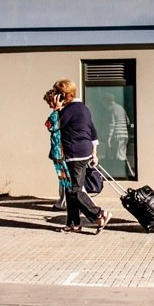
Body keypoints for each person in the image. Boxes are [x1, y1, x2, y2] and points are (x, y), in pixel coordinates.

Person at [45, 80, 112, 234]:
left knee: (74, 190)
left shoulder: (69, 110)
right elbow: (92, 131)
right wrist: (94, 153)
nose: (54, 95)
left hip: (74, 154)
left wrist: (56, 110)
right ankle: (73, 223)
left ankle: (99, 214)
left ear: (62, 95)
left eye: (56, 93)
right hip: (83, 152)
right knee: (70, 190)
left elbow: (51, 126)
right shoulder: (82, 108)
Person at [103, 93, 135, 178]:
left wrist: (109, 139)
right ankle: (130, 173)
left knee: (116, 158)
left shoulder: (110, 109)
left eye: (103, 102)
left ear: (107, 101)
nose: (103, 105)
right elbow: (127, 121)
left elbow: (111, 125)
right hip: (124, 135)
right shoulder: (121, 108)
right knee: (122, 155)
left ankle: (119, 175)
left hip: (116, 136)